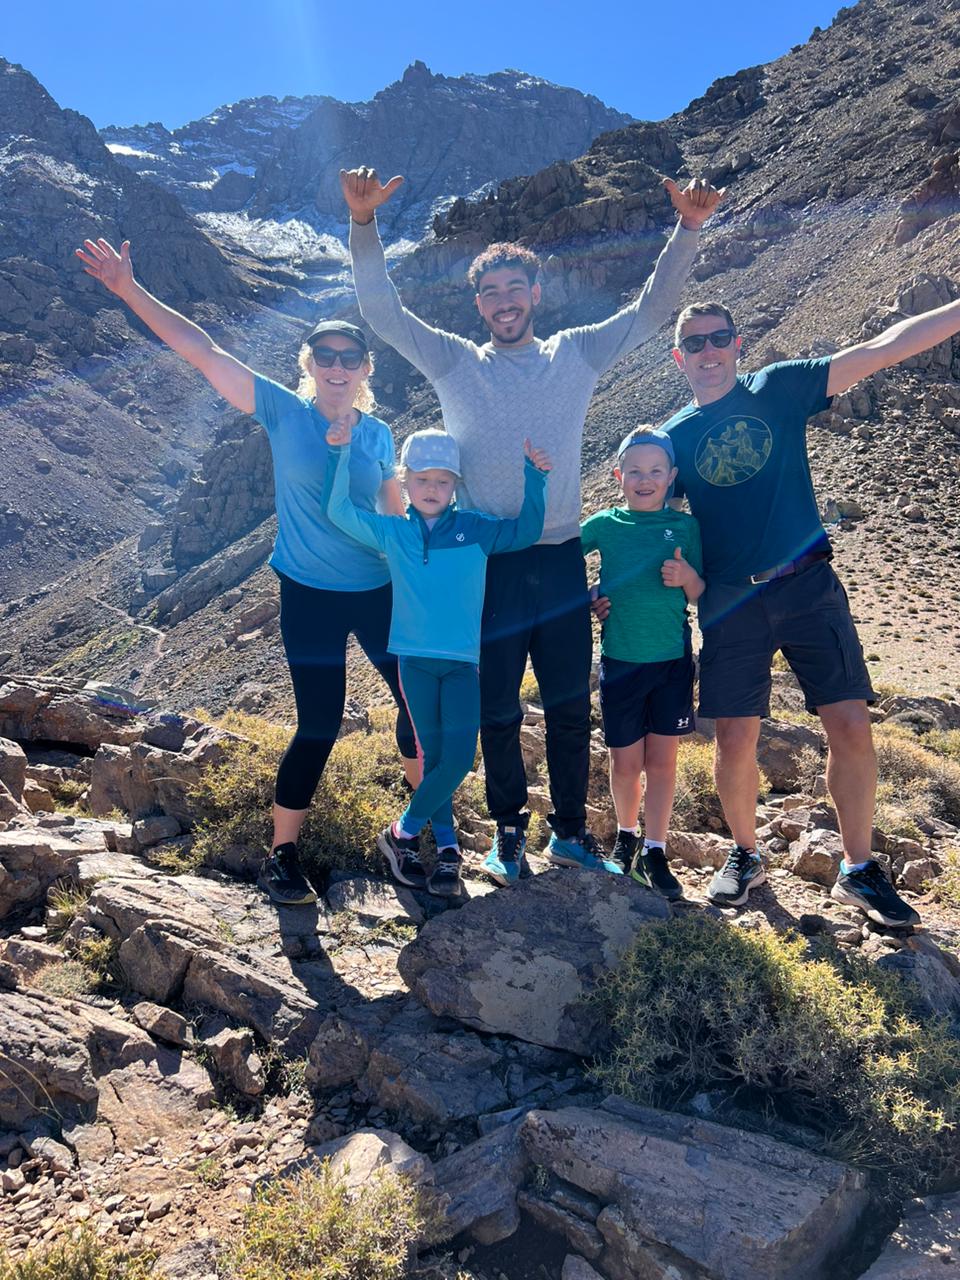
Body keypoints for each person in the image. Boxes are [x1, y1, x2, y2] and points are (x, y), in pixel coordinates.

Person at [341, 164, 722, 886]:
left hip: (560, 559)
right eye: (491, 292)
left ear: (536, 295)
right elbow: (382, 313)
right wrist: (365, 225)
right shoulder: (455, 362)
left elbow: (650, 309)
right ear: (477, 303)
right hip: (490, 564)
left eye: (516, 289)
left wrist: (688, 229)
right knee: (498, 710)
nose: (504, 302)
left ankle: (571, 832)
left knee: (570, 703)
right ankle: (511, 833)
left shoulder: (573, 353)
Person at [75, 237, 418, 907]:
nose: (338, 366)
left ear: (366, 366)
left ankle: (415, 835)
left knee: (417, 708)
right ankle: (283, 855)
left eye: (350, 357)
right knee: (318, 725)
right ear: (309, 364)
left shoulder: (378, 433)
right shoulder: (284, 412)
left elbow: (393, 518)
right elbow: (203, 351)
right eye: (326, 356)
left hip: (379, 592)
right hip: (311, 595)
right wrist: (127, 289)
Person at [660, 296, 960, 925]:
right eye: (695, 343)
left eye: (719, 338)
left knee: (850, 723)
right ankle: (745, 854)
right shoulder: (675, 438)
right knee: (735, 735)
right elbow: (644, 512)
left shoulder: (779, 388)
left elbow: (885, 346)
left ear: (738, 344)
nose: (708, 352)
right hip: (729, 599)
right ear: (678, 357)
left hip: (807, 586)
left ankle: (857, 868)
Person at [323, 423, 550, 895]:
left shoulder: (476, 529)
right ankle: (447, 854)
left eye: (443, 480)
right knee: (434, 760)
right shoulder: (393, 533)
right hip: (415, 663)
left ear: (456, 486)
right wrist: (341, 453)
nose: (432, 489)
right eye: (422, 479)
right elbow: (339, 509)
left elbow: (526, 531)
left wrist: (536, 476)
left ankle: (400, 834)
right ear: (404, 480)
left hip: (463, 663)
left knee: (459, 759)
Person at [581, 428, 703, 898]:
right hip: (620, 661)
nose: (645, 480)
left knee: (663, 762)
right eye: (635, 471)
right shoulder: (604, 525)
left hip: (671, 662)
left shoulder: (686, 529)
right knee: (625, 762)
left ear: (671, 477)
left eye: (655, 471)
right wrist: (591, 595)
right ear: (618, 476)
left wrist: (686, 575)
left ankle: (656, 849)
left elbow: (701, 592)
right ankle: (625, 841)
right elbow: (562, 563)